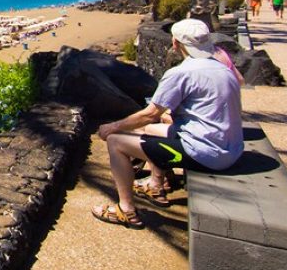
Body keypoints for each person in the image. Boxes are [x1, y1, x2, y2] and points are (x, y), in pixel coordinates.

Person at [91, 19, 243, 229]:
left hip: (207, 154)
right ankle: (156, 185)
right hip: (231, 149)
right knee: (151, 130)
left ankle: (125, 210)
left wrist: (112, 127)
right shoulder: (223, 69)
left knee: (116, 142)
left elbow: (150, 113)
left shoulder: (182, 73)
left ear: (175, 43)